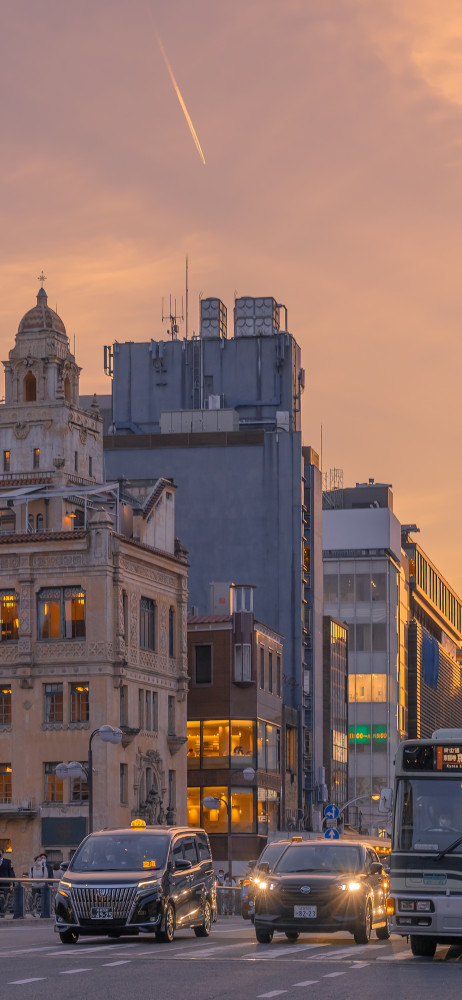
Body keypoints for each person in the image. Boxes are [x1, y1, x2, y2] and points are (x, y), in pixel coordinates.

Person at [0, 848, 15, 917]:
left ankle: (2, 913)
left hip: (5, 883)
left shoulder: (7, 861)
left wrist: (12, 883)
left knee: (5, 898)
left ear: (2, 853)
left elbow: (10, 872)